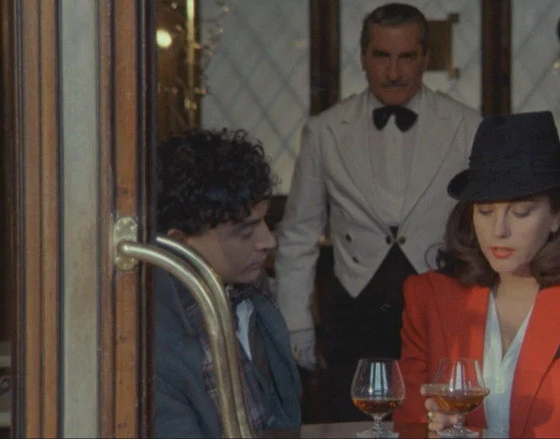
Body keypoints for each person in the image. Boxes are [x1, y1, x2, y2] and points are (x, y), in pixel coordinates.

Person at [274, 2, 482, 421]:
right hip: (353, 312)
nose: (394, 72)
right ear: (363, 56)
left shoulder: (466, 125)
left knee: (433, 421)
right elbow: (298, 233)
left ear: (426, 57)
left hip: (440, 302)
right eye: (382, 56)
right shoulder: (325, 130)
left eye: (407, 57)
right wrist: (296, 324)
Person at [393, 112, 560, 437]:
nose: (499, 230)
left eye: (520, 212)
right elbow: (411, 427)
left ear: (558, 216)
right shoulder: (429, 297)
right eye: (485, 211)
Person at [153, 129, 301, 437]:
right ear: (180, 242)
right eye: (245, 231)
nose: (268, 241)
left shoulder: (252, 292)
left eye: (266, 221)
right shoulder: (158, 335)